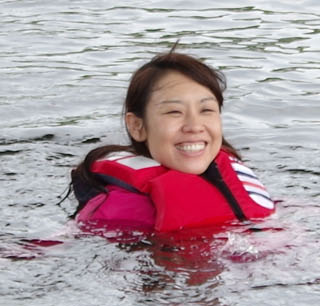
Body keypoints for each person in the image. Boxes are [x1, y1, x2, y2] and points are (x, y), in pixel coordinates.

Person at [71, 51, 279, 233]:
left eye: (206, 110)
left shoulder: (235, 176)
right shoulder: (116, 212)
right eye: (174, 112)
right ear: (137, 126)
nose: (194, 126)